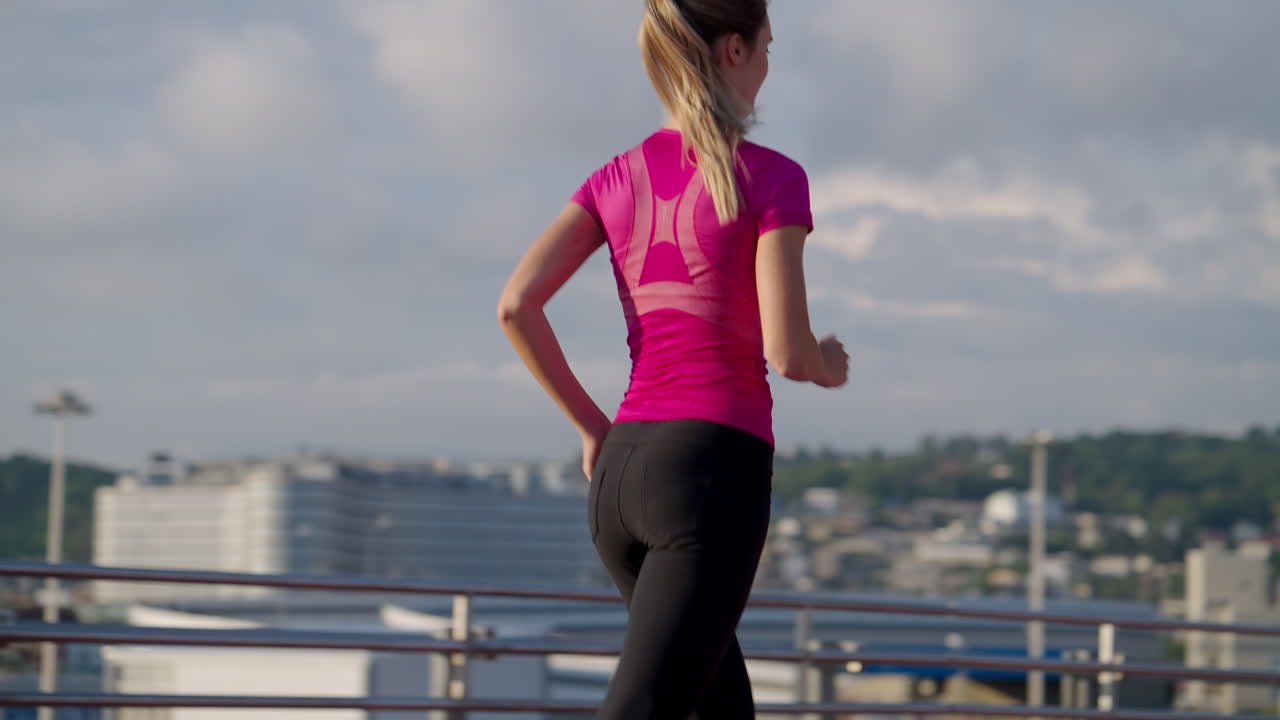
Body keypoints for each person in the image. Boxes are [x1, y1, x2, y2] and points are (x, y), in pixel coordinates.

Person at [498, 0, 849, 716]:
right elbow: (787, 351)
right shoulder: (774, 179)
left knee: (722, 704)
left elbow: (517, 305)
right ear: (732, 52)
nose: (769, 67)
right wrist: (828, 362)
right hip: (709, 476)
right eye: (766, 48)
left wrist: (593, 428)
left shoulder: (613, 178)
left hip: (620, 482)